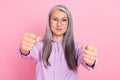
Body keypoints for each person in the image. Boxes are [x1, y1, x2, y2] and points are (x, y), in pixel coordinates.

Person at [20, 5, 98, 80]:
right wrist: (24, 50)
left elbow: (86, 60)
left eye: (64, 20)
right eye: (55, 19)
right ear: (49, 22)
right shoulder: (39, 46)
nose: (59, 24)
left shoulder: (77, 48)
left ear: (68, 23)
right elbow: (26, 53)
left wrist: (90, 61)